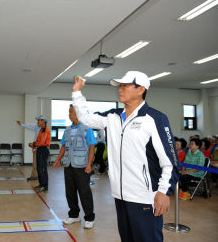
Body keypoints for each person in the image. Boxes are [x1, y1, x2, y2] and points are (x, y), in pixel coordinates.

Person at [72, 71, 179, 242]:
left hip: (144, 198)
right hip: (120, 196)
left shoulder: (154, 118)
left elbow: (170, 162)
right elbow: (84, 117)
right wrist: (77, 93)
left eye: (125, 86)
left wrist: (164, 192)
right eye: (119, 86)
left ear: (140, 89)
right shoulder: (112, 117)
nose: (120, 90)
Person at [53, 105, 97, 229]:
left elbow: (92, 146)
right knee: (70, 192)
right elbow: (63, 146)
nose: (69, 114)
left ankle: (89, 218)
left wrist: (89, 164)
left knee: (84, 192)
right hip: (69, 165)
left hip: (82, 166)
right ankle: (74, 215)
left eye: (70, 112)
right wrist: (58, 159)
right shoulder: (67, 130)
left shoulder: (86, 129)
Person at [30, 115, 51, 192]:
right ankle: (41, 184)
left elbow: (42, 142)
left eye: (39, 120)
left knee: (43, 169)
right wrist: (36, 146)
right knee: (39, 168)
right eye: (38, 120)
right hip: (40, 149)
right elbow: (38, 140)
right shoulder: (41, 130)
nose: (38, 122)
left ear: (43, 122)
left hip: (43, 150)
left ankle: (45, 186)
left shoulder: (46, 131)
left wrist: (33, 144)